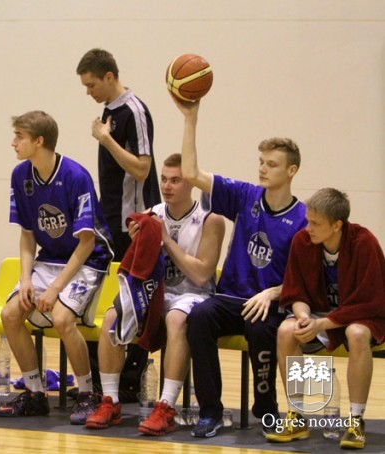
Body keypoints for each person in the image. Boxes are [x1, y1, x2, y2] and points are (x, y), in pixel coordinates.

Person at [175, 98, 307, 438]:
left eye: (272, 164)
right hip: (232, 297)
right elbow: (191, 174)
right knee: (199, 317)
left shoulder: (304, 219)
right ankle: (211, 412)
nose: (263, 169)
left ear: (291, 171)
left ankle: (267, 410)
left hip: (272, 304)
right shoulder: (245, 196)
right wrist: (190, 117)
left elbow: (306, 279)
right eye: (261, 162)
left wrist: (272, 292)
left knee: (260, 328)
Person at [85, 153, 225, 435]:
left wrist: (165, 240)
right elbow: (139, 267)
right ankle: (110, 401)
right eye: (163, 179)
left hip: (194, 294)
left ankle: (166, 407)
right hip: (156, 291)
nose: (167, 186)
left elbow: (201, 274)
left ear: (191, 183)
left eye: (175, 180)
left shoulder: (211, 220)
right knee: (112, 317)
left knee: (176, 319)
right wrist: (139, 241)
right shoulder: (152, 214)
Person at [0, 111, 113, 425]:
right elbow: (27, 234)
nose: (13, 143)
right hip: (50, 258)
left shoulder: (76, 176)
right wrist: (25, 279)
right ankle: (35, 393)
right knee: (9, 314)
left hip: (88, 259)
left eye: (19, 136)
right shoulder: (20, 176)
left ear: (39, 141)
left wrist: (55, 288)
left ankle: (87, 393)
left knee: (62, 318)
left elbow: (86, 242)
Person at [267, 188, 385, 450]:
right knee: (287, 330)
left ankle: (356, 421)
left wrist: (321, 324)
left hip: (360, 315)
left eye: (315, 223)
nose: (308, 228)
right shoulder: (302, 241)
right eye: (308, 221)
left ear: (336, 225)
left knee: (356, 334)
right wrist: (303, 317)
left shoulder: (364, 243)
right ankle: (296, 416)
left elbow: (370, 302)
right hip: (319, 314)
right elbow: (295, 291)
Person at [77, 48, 160, 402]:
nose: (88, 92)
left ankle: (130, 378)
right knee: (99, 296)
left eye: (92, 85)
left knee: (134, 299)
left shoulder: (135, 111)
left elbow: (142, 168)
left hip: (135, 224)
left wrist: (106, 139)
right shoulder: (109, 110)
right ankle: (103, 378)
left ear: (109, 77)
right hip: (111, 220)